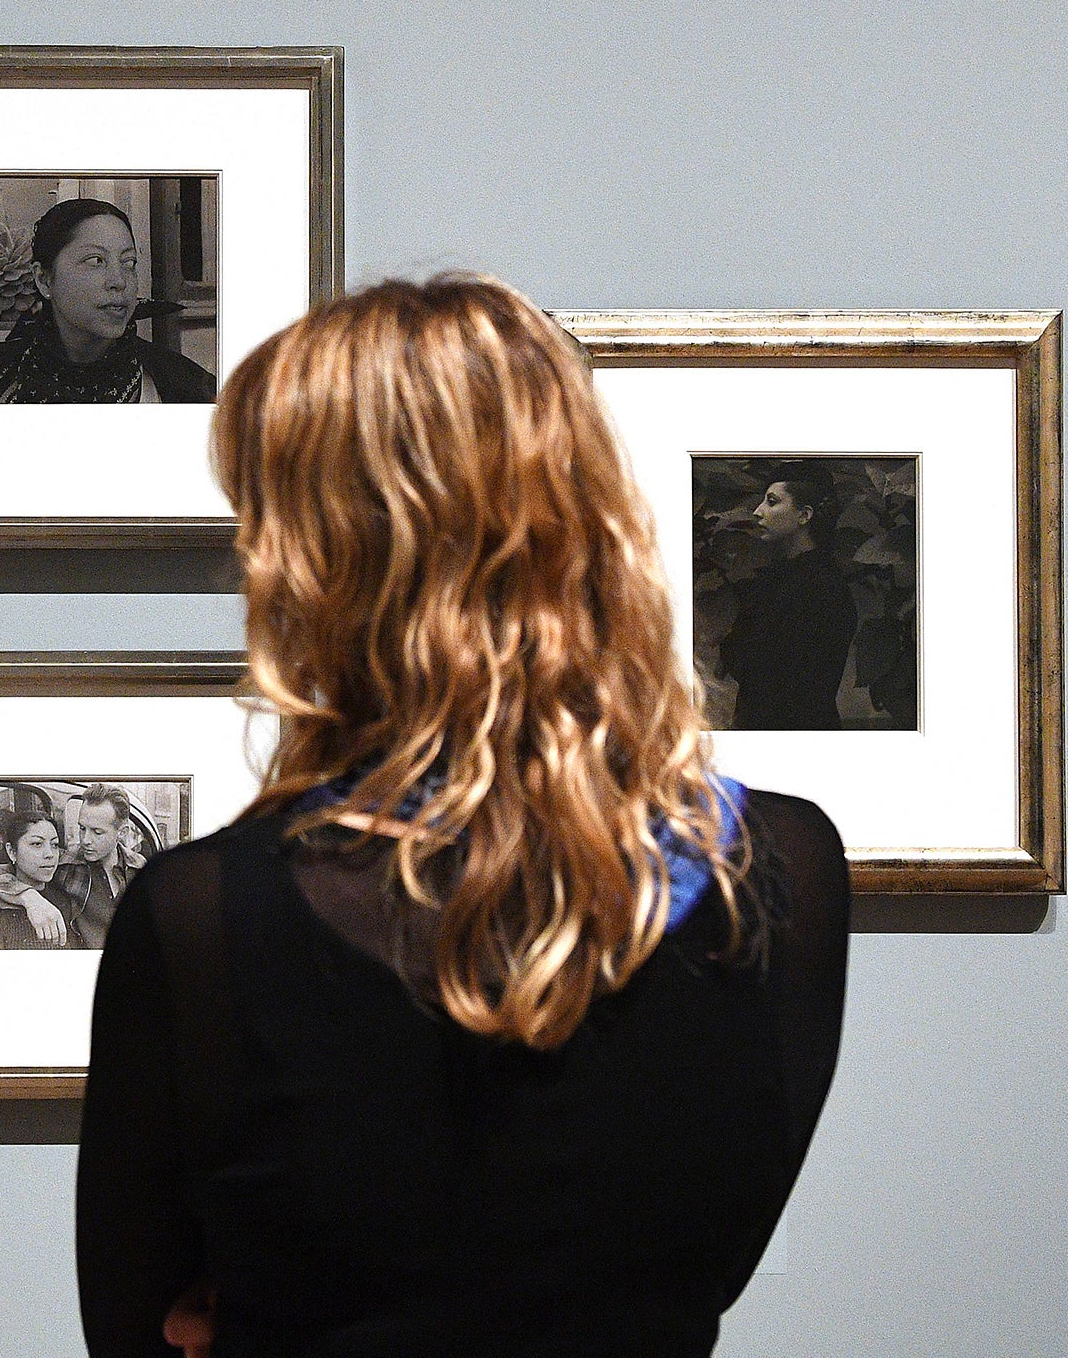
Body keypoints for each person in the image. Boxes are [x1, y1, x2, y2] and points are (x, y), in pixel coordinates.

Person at [77, 276, 849, 1356]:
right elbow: (684, 1267)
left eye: (261, 515)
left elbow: (139, 1329)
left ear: (317, 557)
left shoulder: (203, 910)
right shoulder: (782, 865)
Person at [0, 198, 217, 405]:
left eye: (128, 263)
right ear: (45, 280)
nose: (118, 280)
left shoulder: (183, 386)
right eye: (96, 261)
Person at [716, 462, 860, 729]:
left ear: (804, 515)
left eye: (772, 502)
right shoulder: (781, 579)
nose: (758, 512)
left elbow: (776, 679)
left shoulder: (821, 589)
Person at [0, 784, 152, 949]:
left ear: (122, 833)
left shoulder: (142, 868)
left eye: (97, 832)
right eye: (82, 828)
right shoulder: (67, 864)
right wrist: (29, 897)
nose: (85, 840)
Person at [0, 810, 81, 950]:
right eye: (37, 844)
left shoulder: (66, 901)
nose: (50, 854)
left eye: (55, 845)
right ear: (12, 852)